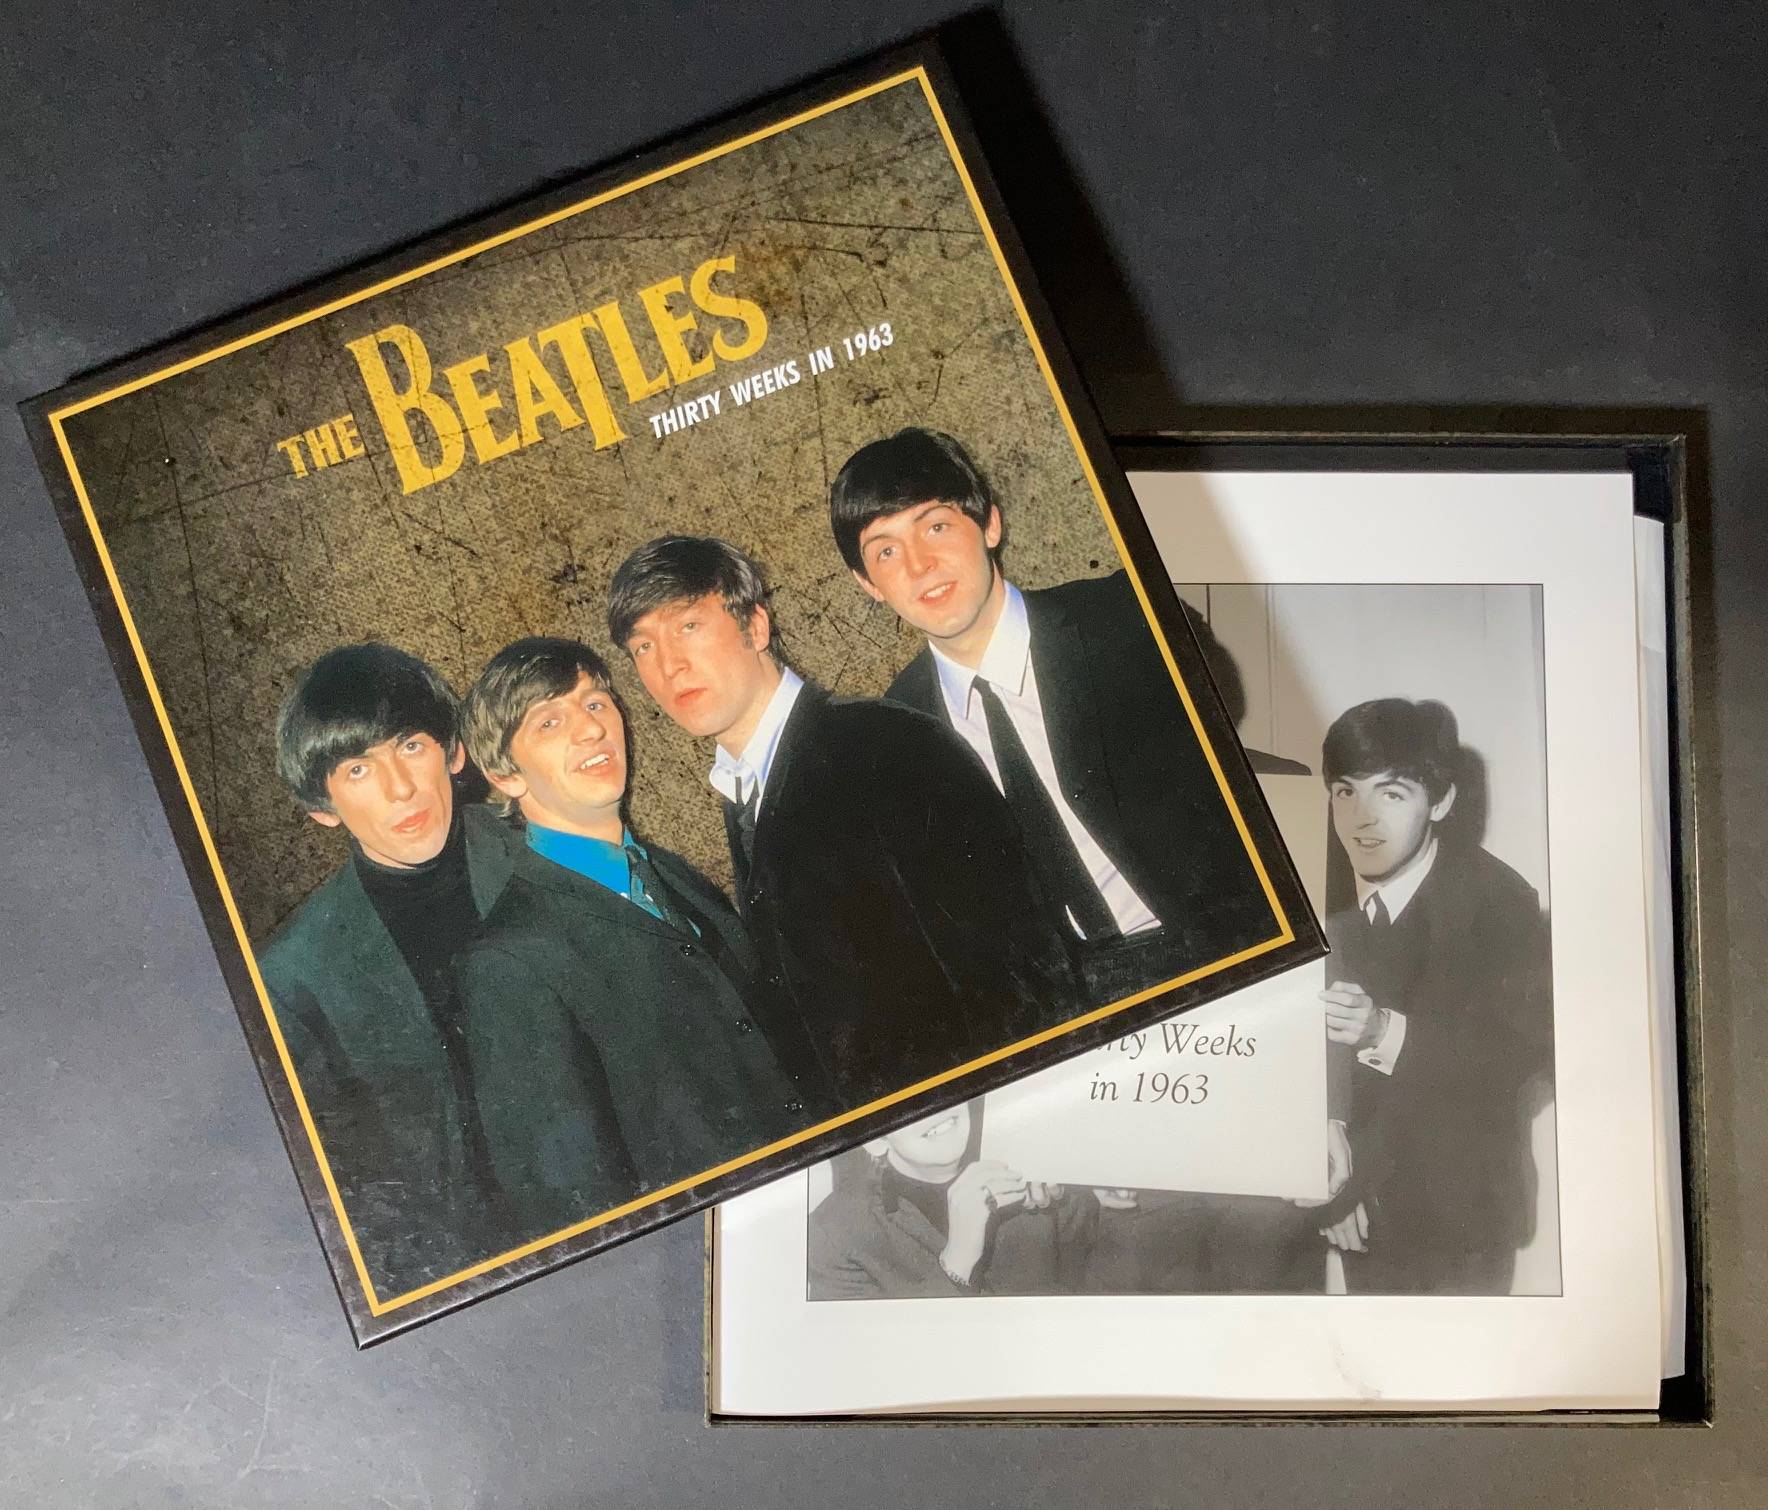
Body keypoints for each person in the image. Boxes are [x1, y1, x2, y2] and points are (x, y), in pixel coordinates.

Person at [607, 536, 1078, 1107]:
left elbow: (1024, 974)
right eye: (643, 647)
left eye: (688, 626)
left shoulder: (884, 744)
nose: (669, 665)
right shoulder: (746, 787)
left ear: (756, 626)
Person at [828, 426, 1276, 1003]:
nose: (919, 565)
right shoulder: (889, 738)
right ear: (868, 584)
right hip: (1069, 1008)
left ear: (989, 524)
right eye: (886, 551)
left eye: (935, 526)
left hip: (1233, 950)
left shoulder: (1130, 617)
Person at [452, 636, 803, 1249]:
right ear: (505, 775)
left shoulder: (675, 876)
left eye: (596, 703)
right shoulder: (506, 961)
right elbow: (571, 1209)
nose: (591, 729)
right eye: (549, 722)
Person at [259, 643, 520, 1298]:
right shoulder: (294, 978)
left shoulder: (550, 851)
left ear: (452, 753)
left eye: (410, 746)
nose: (401, 788)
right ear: (322, 809)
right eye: (357, 769)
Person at [1310, 697, 1553, 1294]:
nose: (1362, 818)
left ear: (1440, 802)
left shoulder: (1500, 902)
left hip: (1460, 1221)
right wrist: (1332, 1181)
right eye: (1345, 792)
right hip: (1356, 1211)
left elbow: (1516, 1061)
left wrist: (1381, 1030)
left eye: (1391, 794)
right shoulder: (1321, 894)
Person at [808, 1100, 1098, 1298]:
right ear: (875, 1140)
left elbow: (1088, 1275)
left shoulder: (1022, 1158)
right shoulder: (833, 1234)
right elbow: (872, 1358)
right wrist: (957, 1260)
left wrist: (1064, 1195)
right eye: (906, 1099)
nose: (935, 1104)